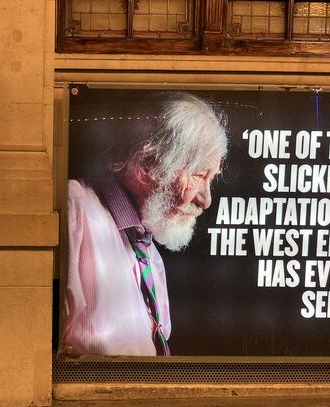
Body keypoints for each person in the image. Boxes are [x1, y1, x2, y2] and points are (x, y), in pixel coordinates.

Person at [64, 92, 228, 356]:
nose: (206, 200)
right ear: (147, 163)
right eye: (199, 175)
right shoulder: (74, 212)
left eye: (212, 178)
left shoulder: (145, 247)